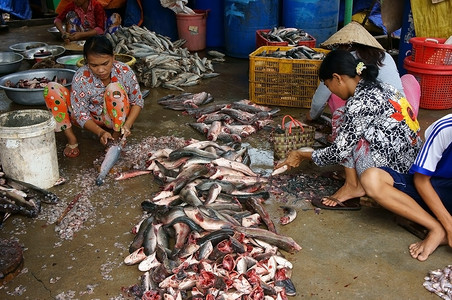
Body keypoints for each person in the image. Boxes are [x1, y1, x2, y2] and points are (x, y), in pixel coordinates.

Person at [275, 49, 422, 210]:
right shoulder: (381, 87)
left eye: (327, 84)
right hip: (411, 159)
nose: (330, 90)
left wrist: (301, 154)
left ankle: (354, 185)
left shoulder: (359, 103)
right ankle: (354, 182)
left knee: (342, 122)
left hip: (396, 171)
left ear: (337, 78)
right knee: (342, 116)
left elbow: (338, 152)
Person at [360, 114, 452, 261]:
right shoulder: (445, 129)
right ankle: (436, 228)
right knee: (372, 179)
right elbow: (422, 181)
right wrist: (448, 225)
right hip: (433, 189)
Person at [43, 35, 144, 158]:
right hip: (90, 119)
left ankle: (115, 137)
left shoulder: (124, 71)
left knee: (114, 89)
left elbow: (137, 101)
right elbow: (80, 113)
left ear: (113, 57)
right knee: (51, 88)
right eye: (94, 65)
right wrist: (100, 132)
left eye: (105, 63)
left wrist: (127, 124)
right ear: (86, 61)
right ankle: (72, 139)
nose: (101, 70)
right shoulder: (81, 77)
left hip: (116, 118)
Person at [307, 21, 420, 124]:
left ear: (346, 45)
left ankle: (341, 125)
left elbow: (320, 98)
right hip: (406, 114)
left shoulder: (341, 64)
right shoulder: (386, 56)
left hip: (372, 120)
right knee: (408, 78)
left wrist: (312, 116)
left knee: (333, 89)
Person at [54, 0, 121, 42]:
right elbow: (57, 20)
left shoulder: (96, 5)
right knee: (71, 14)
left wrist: (82, 34)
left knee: (115, 17)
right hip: (82, 32)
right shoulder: (72, 5)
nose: (75, 0)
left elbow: (100, 29)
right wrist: (63, 32)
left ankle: (108, 43)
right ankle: (72, 38)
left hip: (100, 35)